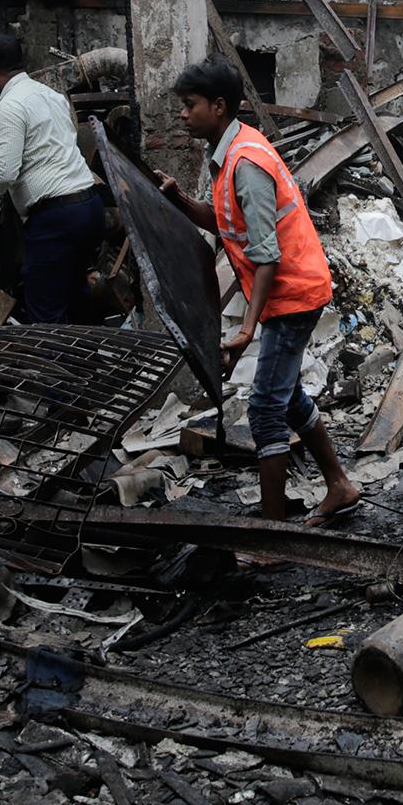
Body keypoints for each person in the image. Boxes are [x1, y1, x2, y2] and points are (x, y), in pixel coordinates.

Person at [157, 58, 360, 525]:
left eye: (190, 106)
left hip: (292, 295)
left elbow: (266, 255)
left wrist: (247, 327)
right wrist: (181, 202)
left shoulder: (245, 163)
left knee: (266, 407)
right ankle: (339, 484)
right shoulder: (231, 154)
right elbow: (226, 223)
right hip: (287, 293)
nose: (183, 115)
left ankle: (272, 532)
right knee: (285, 396)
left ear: (219, 106)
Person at [0, 32, 103, 324]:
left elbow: (4, 173)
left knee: (45, 309)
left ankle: (54, 368)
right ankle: (87, 365)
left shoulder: (9, 106)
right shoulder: (49, 95)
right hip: (88, 207)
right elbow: (52, 146)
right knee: (76, 300)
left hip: (56, 217)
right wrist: (0, 153)